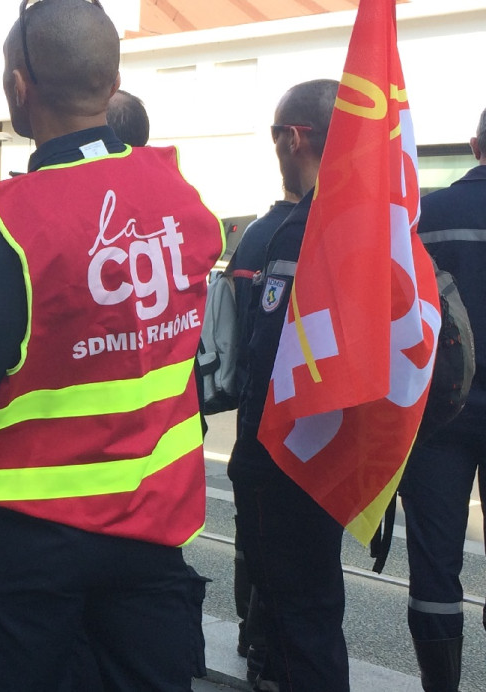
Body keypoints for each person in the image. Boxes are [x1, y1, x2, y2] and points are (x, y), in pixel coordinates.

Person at [0, 1, 223, 689]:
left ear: (19, 87)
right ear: (113, 85)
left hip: (32, 542)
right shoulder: (180, 194)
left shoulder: (15, 216)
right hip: (153, 528)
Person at [226, 78, 344, 692]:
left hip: (286, 459)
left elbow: (266, 358)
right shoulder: (374, 220)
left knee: (299, 619)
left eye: (276, 137)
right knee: (316, 611)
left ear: (294, 138)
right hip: (334, 453)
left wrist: (248, 456)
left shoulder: (298, 230)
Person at [400, 106, 486, 692]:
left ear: (476, 144)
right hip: (443, 419)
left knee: (434, 570)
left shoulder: (428, 214)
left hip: (440, 417)